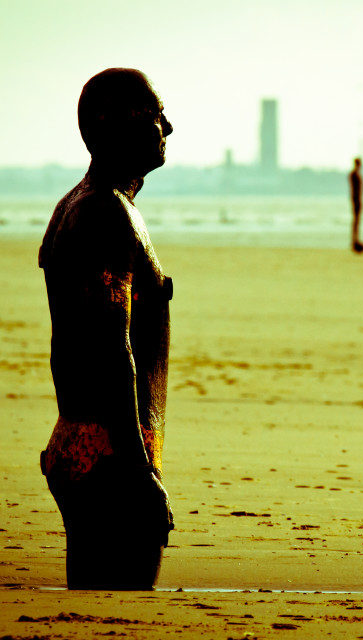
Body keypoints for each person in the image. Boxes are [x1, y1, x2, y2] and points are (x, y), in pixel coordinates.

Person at [39, 68, 174, 589]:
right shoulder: (102, 212)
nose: (168, 125)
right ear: (108, 124)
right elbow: (111, 349)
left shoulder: (84, 204)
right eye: (153, 115)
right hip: (110, 455)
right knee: (120, 606)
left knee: (99, 603)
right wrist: (139, 474)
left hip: (92, 444)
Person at [348, 157, 363, 253]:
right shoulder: (354, 174)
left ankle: (355, 239)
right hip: (356, 200)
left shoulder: (355, 174)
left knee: (357, 221)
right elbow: (354, 190)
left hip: (357, 199)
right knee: (356, 221)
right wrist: (356, 200)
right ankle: (354, 240)